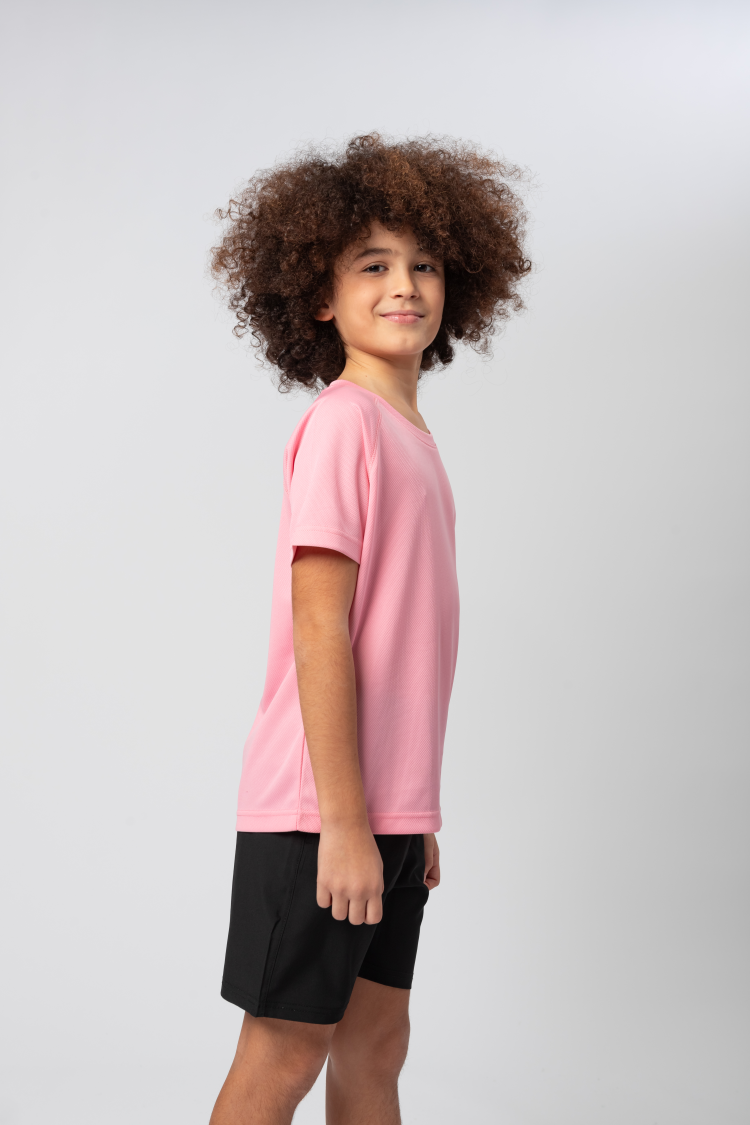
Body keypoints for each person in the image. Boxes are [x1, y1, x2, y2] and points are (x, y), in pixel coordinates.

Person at [208, 134, 530, 1125]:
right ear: (319, 295)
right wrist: (349, 824)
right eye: (373, 266)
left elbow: (403, 647)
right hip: (319, 814)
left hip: (380, 811)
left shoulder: (408, 433)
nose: (405, 286)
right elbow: (323, 630)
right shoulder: (344, 423)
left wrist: (407, 812)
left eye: (424, 265)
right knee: (284, 1054)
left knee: (376, 1045)